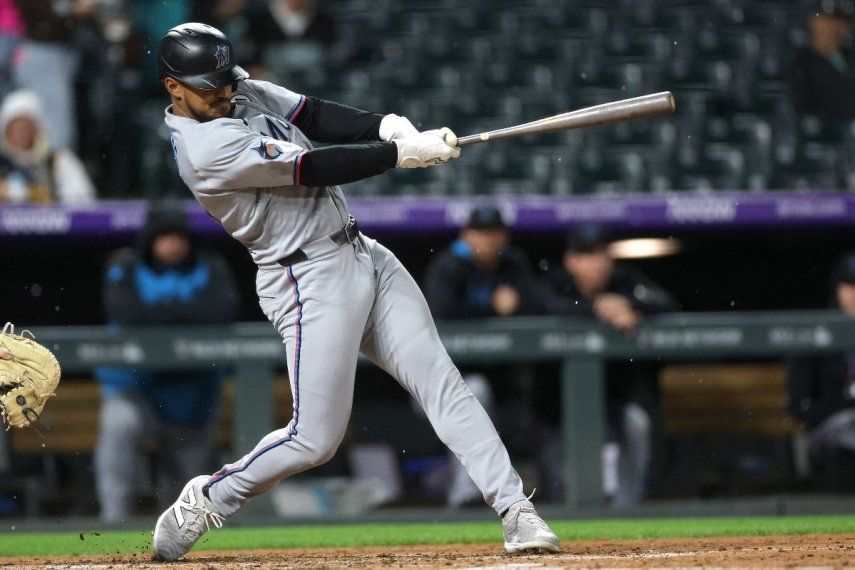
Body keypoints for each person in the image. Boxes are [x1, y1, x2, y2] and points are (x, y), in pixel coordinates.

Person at [152, 23, 558, 560]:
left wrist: (387, 126)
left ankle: (515, 512)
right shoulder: (204, 149)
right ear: (173, 87)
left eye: (225, 79)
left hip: (362, 252)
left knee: (443, 384)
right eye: (208, 85)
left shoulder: (236, 90)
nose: (224, 91)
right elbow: (310, 165)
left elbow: (311, 115)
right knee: (313, 440)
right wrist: (398, 154)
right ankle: (210, 498)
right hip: (304, 279)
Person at [94, 206, 240, 522]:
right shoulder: (125, 266)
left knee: (186, 483)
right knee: (119, 426)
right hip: (135, 387)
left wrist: (159, 314)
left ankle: (177, 535)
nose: (172, 244)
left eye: (178, 237)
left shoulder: (211, 267)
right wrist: (186, 315)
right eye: (164, 238)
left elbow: (221, 312)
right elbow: (127, 315)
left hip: (192, 390)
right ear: (150, 240)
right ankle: (114, 520)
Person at [423, 205, 555, 507]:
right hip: (441, 380)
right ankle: (464, 495)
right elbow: (441, 314)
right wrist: (492, 309)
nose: (487, 240)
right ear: (466, 234)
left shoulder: (513, 263)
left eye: (494, 233)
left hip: (503, 377)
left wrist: (516, 307)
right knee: (474, 392)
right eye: (480, 232)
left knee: (534, 398)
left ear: (504, 236)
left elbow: (539, 303)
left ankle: (540, 494)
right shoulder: (449, 266)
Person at [545, 225, 678, 507]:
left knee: (637, 423)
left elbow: (666, 302)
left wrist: (625, 303)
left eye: (603, 254)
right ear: (571, 260)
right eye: (588, 255)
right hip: (558, 410)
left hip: (617, 400)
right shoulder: (557, 282)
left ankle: (628, 512)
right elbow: (540, 304)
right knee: (561, 493)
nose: (598, 263)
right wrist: (594, 306)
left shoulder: (624, 281)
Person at [787, 252, 855, 492]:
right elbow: (798, 406)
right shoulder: (815, 333)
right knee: (847, 429)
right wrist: (844, 407)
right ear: (838, 288)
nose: (854, 294)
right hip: (828, 434)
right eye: (849, 286)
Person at [0, 90, 96, 203]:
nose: (21, 133)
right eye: (16, 127)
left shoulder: (57, 162)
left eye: (26, 127)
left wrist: (31, 194)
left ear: (37, 129)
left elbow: (83, 200)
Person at [791, 2, 855, 120]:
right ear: (812, 22)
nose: (832, 26)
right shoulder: (801, 63)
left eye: (838, 20)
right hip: (829, 131)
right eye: (825, 20)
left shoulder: (850, 57)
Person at [244, 0, 337, 80]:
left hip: (315, 85)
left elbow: (333, 54)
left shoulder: (325, 19)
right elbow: (250, 58)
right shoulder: (258, 19)